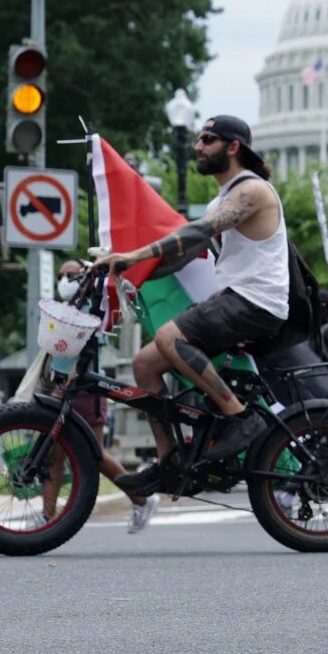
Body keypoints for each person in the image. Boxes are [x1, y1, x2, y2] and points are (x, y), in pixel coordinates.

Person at [100, 115, 290, 494]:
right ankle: (170, 460)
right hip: (234, 299)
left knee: (172, 337)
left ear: (233, 147)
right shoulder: (224, 197)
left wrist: (135, 252)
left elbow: (198, 231)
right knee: (145, 365)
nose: (199, 148)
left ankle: (239, 416)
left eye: (207, 139)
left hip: (257, 302)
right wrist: (122, 271)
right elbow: (185, 253)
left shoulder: (251, 189)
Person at [44, 259, 156, 534]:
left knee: (94, 455)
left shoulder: (91, 308)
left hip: (86, 391)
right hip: (63, 389)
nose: (65, 280)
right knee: (53, 454)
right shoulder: (68, 308)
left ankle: (140, 498)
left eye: (71, 275)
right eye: (62, 275)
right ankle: (47, 518)